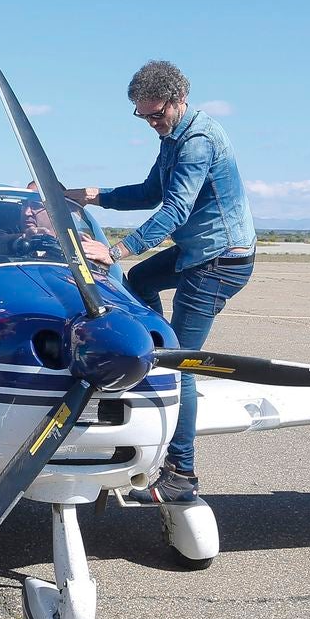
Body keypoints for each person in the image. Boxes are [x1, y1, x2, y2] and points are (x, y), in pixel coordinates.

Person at [65, 60, 255, 506]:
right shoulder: (173, 137)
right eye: (143, 116)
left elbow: (173, 211)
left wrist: (112, 251)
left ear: (178, 99)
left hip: (218, 261)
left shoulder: (197, 142)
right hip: (196, 252)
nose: (152, 124)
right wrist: (89, 196)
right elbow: (150, 191)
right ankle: (155, 342)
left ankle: (181, 473)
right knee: (141, 281)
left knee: (182, 364)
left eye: (156, 115)